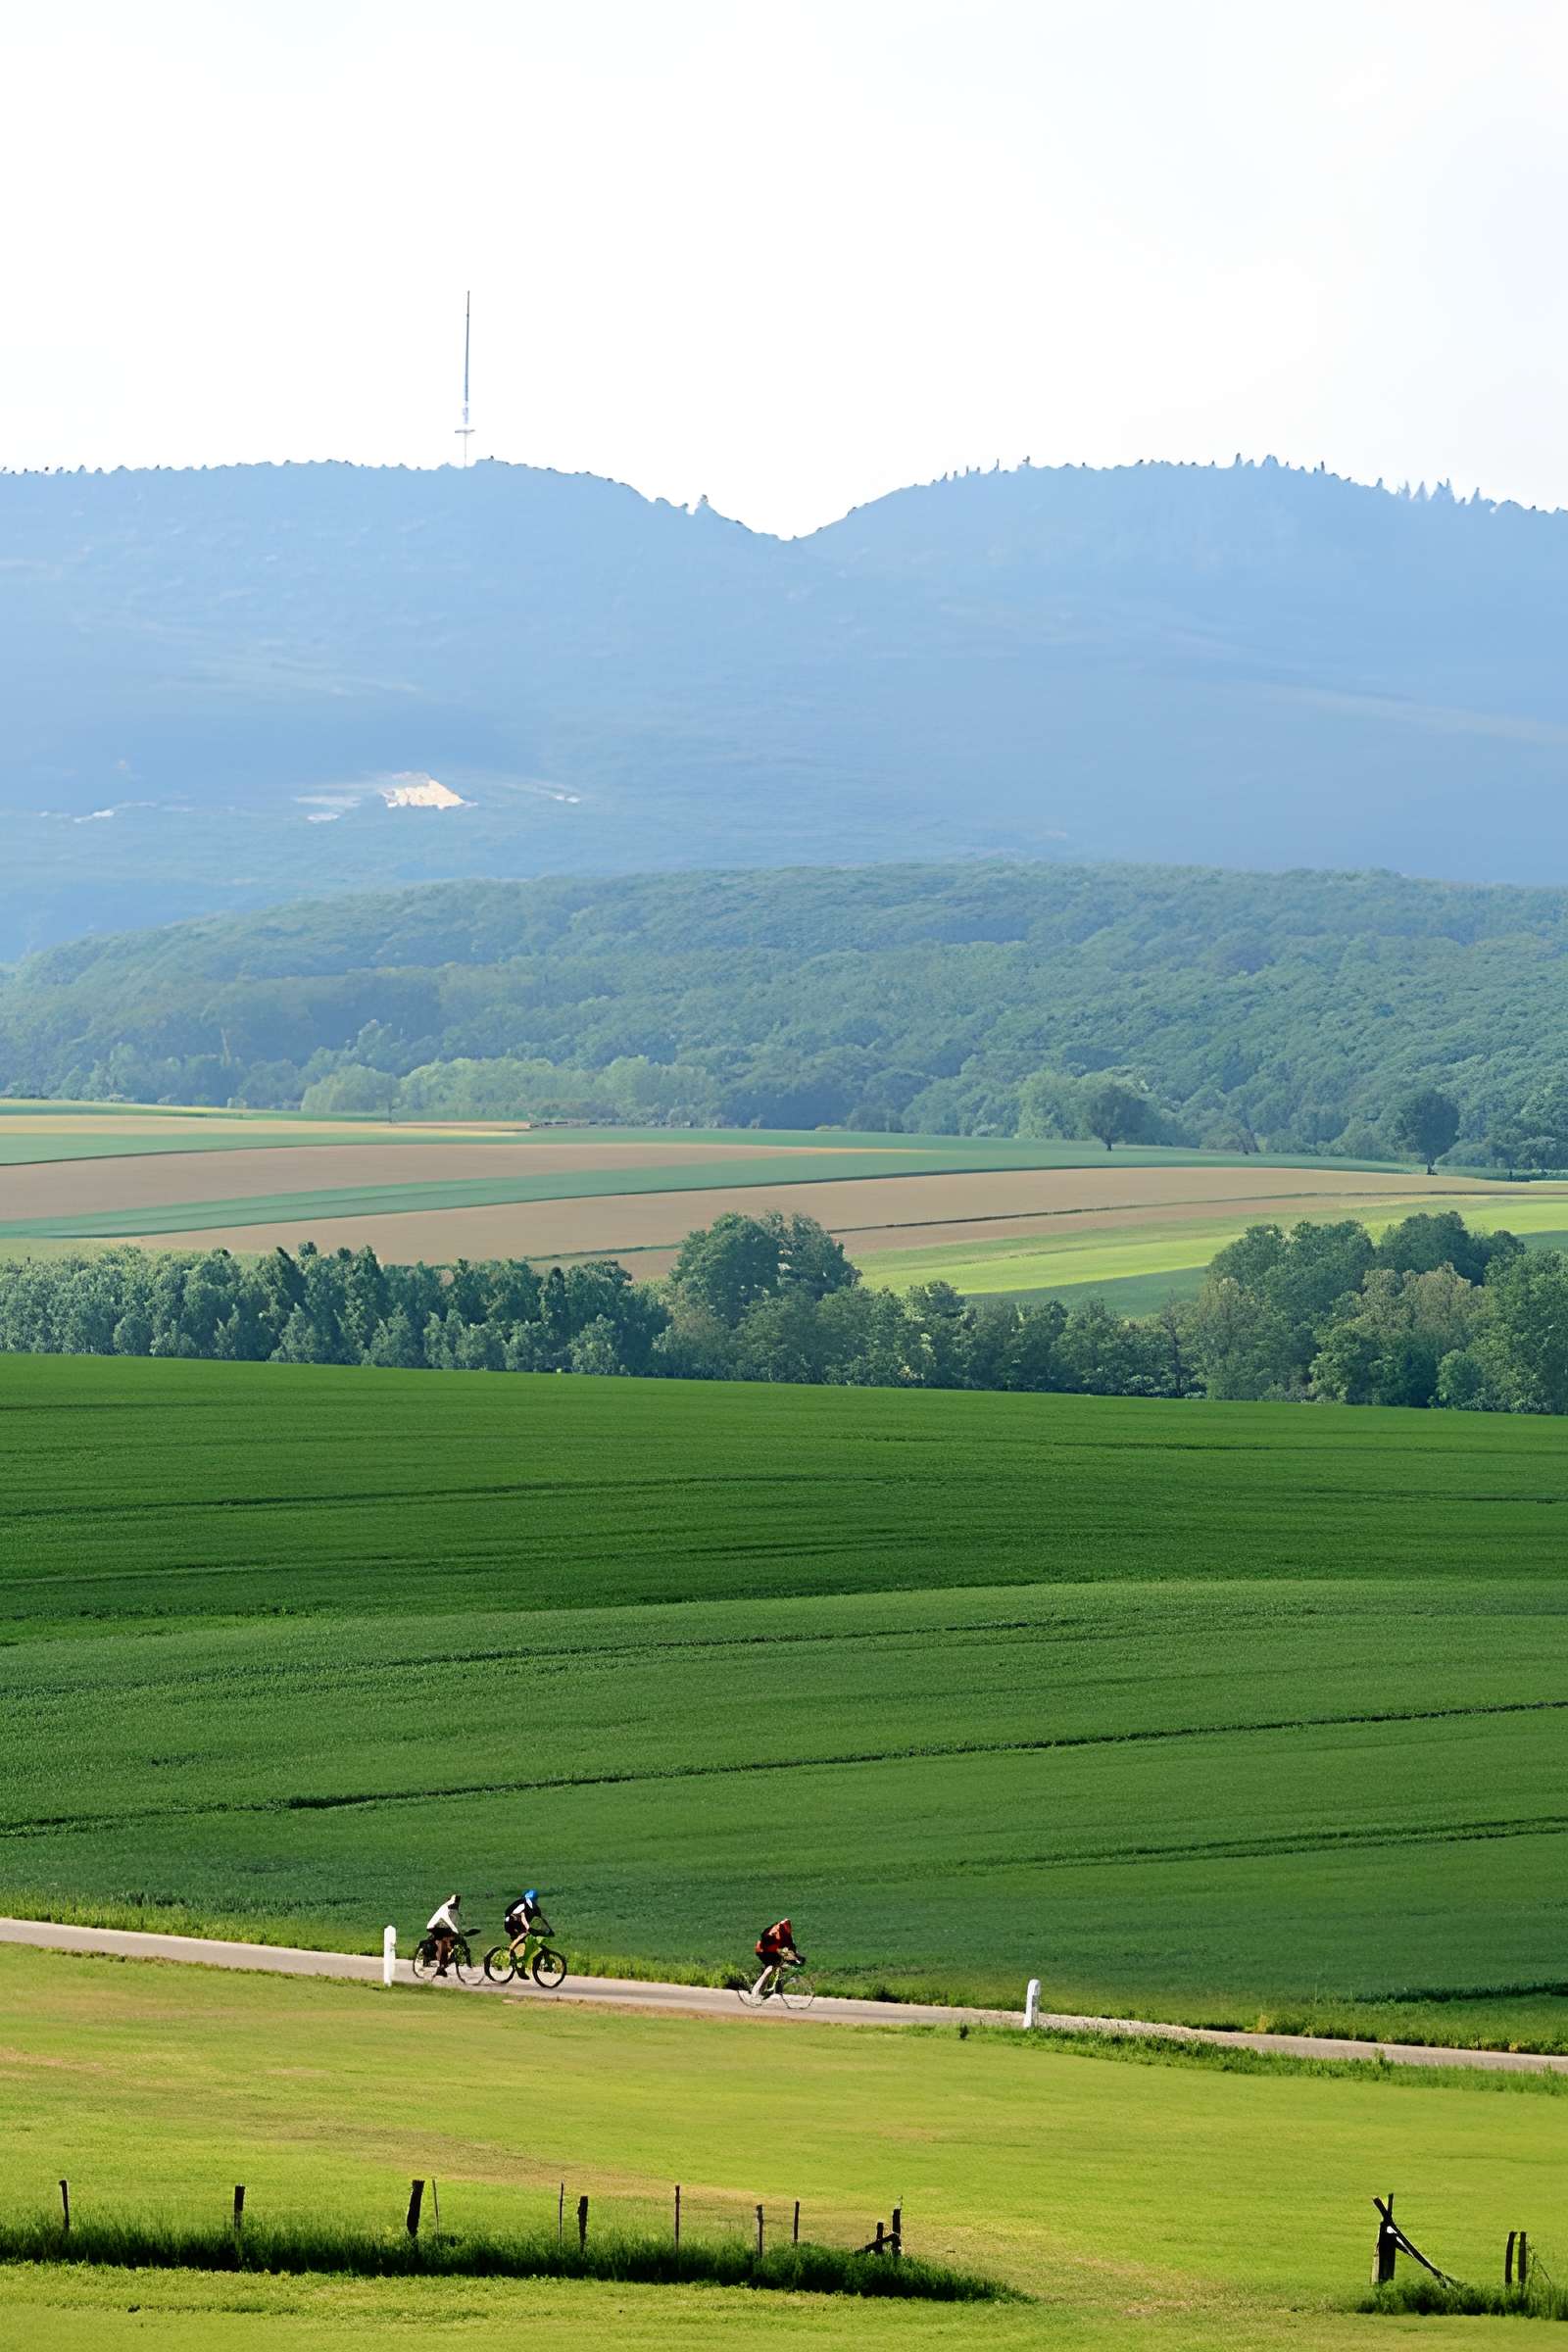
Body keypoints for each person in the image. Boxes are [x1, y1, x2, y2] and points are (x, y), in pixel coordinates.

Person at [751, 1916, 803, 2000]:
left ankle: (775, 1989)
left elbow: (791, 1947)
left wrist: (796, 1957)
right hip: (764, 1951)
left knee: (779, 1966)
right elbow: (765, 1941)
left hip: (774, 1951)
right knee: (770, 1969)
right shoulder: (774, 1932)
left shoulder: (786, 1935)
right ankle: (756, 1991)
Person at [503, 1886, 553, 1973]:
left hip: (519, 1924)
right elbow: (523, 1918)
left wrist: (549, 1929)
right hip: (510, 1923)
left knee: (526, 1940)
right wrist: (528, 1928)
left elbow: (542, 1919)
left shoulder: (535, 1908)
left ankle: (519, 1962)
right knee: (524, 1934)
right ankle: (509, 1954)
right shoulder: (523, 1905)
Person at [426, 1891, 463, 1976]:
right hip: (435, 1927)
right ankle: (441, 1965)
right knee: (443, 1941)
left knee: (448, 1940)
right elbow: (447, 1921)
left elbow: (456, 1921)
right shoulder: (445, 1909)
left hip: (443, 1928)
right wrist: (454, 1930)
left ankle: (443, 1964)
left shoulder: (454, 1910)